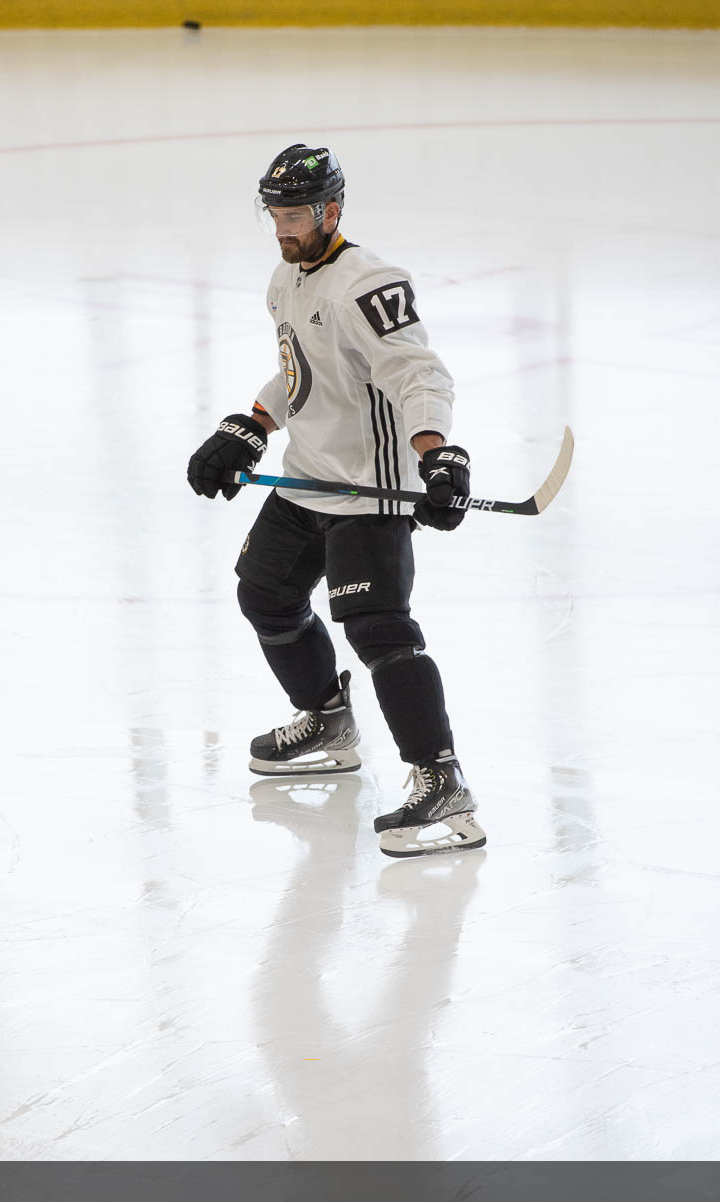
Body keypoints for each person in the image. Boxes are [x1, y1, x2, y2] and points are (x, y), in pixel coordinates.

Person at [186, 143, 486, 859]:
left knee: (379, 629)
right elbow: (301, 371)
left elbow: (419, 374)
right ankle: (326, 720)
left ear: (332, 210)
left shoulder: (369, 283)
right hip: (308, 478)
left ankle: (441, 781)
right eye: (275, 215)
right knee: (264, 594)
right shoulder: (285, 280)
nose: (283, 228)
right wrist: (251, 426)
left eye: (294, 214)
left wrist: (435, 453)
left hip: (368, 490)